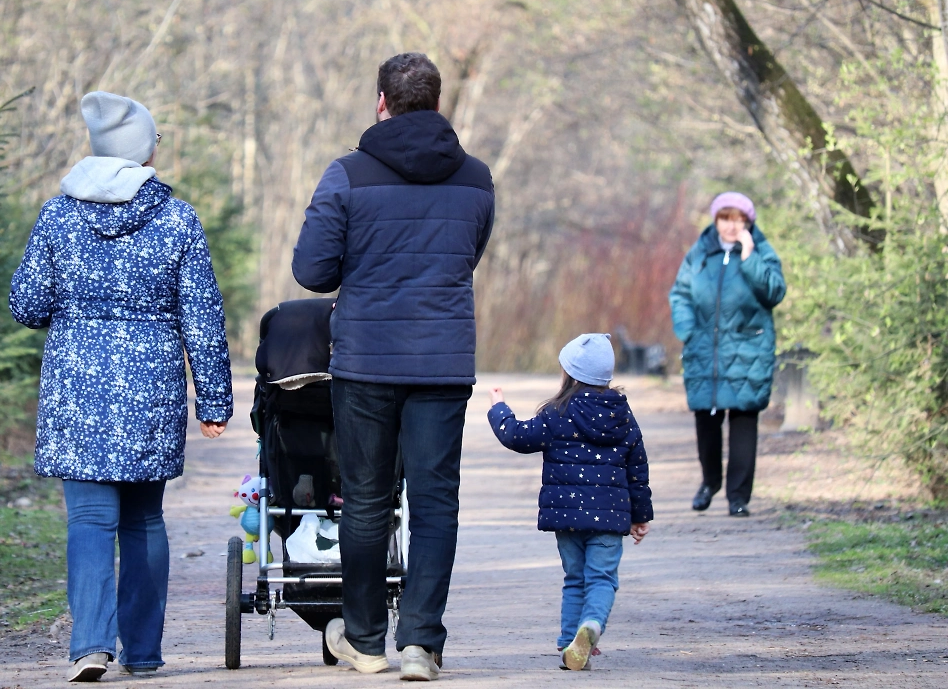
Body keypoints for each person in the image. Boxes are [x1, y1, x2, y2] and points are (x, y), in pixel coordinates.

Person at [9, 91, 233, 682]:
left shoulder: (58, 215)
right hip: (150, 386)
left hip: (76, 383)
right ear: (144, 150)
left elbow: (27, 306)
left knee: (88, 521)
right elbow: (202, 318)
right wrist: (213, 400)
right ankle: (143, 653)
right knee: (143, 521)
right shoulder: (176, 217)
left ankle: (89, 647)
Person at [292, 53, 495, 681]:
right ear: (437, 104)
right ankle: (421, 645)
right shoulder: (477, 178)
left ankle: (366, 641)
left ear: (381, 102)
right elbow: (468, 254)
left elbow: (312, 271)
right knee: (436, 502)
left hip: (366, 364)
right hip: (442, 362)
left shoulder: (347, 175)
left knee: (366, 502)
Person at [488, 333, 653, 672]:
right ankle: (590, 627)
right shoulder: (622, 415)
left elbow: (516, 436)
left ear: (571, 375)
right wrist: (640, 515)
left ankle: (568, 644)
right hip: (609, 519)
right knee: (602, 578)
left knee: (575, 577)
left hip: (567, 516)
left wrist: (499, 409)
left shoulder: (556, 412)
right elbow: (638, 467)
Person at [668, 191, 786, 518]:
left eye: (738, 219)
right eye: (725, 218)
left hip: (749, 349)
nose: (731, 226)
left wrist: (749, 258)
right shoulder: (700, 254)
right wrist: (688, 330)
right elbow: (680, 293)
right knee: (706, 420)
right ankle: (709, 482)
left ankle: (738, 496)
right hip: (704, 349)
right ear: (716, 220)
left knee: (744, 422)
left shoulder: (761, 251)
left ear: (748, 222)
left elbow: (775, 291)